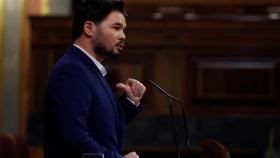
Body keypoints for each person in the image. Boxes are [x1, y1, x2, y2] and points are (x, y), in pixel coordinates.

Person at [43, 0, 146, 158]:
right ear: (89, 28)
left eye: (124, 30)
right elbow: (74, 138)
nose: (123, 36)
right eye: (116, 27)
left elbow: (101, 128)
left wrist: (130, 101)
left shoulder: (89, 69)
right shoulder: (72, 70)